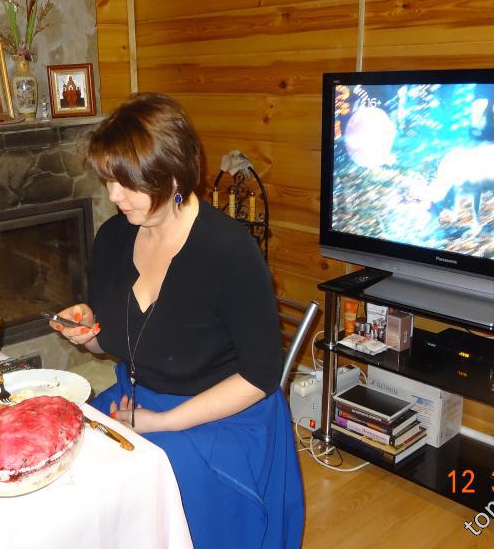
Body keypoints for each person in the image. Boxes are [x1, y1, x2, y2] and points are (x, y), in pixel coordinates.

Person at [51, 92, 304, 548]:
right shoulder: (113, 238)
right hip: (136, 400)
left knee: (145, 485)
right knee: (71, 465)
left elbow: (260, 376)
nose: (113, 195)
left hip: (222, 417)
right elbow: (117, 344)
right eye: (109, 180)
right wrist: (88, 334)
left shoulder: (228, 251)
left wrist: (162, 422)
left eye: (126, 183)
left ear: (171, 175)